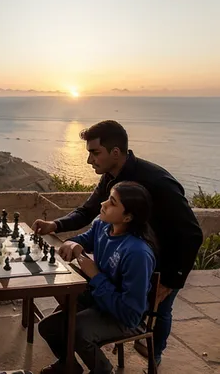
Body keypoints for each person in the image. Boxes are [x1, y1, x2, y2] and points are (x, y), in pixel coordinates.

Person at [33, 120, 203, 367]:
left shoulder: (157, 182)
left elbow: (192, 234)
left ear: (115, 152)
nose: (90, 160)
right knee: (76, 312)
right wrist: (56, 226)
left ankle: (154, 356)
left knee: (160, 311)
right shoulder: (112, 179)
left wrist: (171, 280)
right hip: (125, 258)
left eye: (94, 153)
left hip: (161, 261)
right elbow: (88, 210)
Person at [38, 181, 156, 374]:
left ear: (127, 217)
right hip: (99, 299)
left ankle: (102, 369)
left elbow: (130, 312)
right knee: (48, 327)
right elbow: (82, 241)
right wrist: (73, 244)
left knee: (78, 329)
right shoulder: (102, 226)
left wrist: (95, 275)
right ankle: (69, 366)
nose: (103, 204)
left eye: (112, 202)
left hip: (124, 316)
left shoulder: (137, 253)